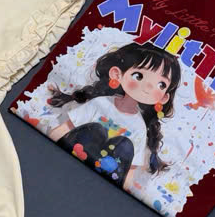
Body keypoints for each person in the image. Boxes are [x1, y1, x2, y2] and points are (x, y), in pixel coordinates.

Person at [46, 42, 180, 189]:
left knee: (125, 146)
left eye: (161, 84)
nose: (148, 87)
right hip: (71, 156)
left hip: (100, 179)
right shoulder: (101, 103)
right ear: (117, 74)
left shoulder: (139, 127)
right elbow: (66, 128)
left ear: (163, 97)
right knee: (96, 130)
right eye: (139, 75)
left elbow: (130, 170)